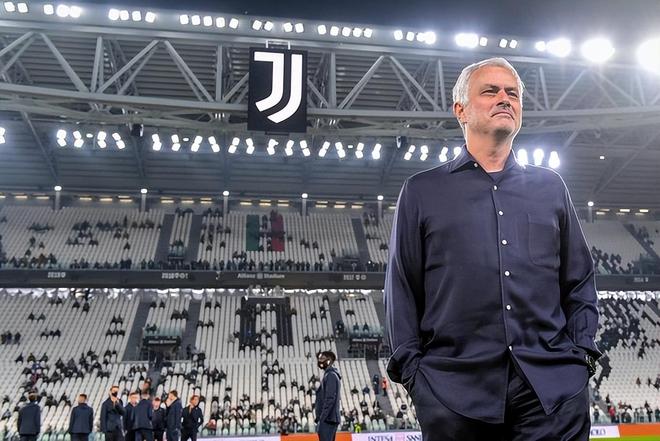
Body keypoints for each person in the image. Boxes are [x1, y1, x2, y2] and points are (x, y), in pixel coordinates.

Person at [385, 57, 600, 441]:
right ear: (460, 110)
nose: (505, 98)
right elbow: (401, 288)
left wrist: (581, 354)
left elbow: (579, 279)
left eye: (512, 93)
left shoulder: (551, 188)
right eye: (490, 91)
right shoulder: (421, 191)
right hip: (453, 393)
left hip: (553, 390)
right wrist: (416, 375)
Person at [314, 351, 341, 441]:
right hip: (328, 418)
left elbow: (330, 399)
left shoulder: (331, 375)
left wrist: (322, 418)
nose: (320, 361)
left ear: (329, 361)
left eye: (322, 358)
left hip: (328, 419)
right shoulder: (330, 374)